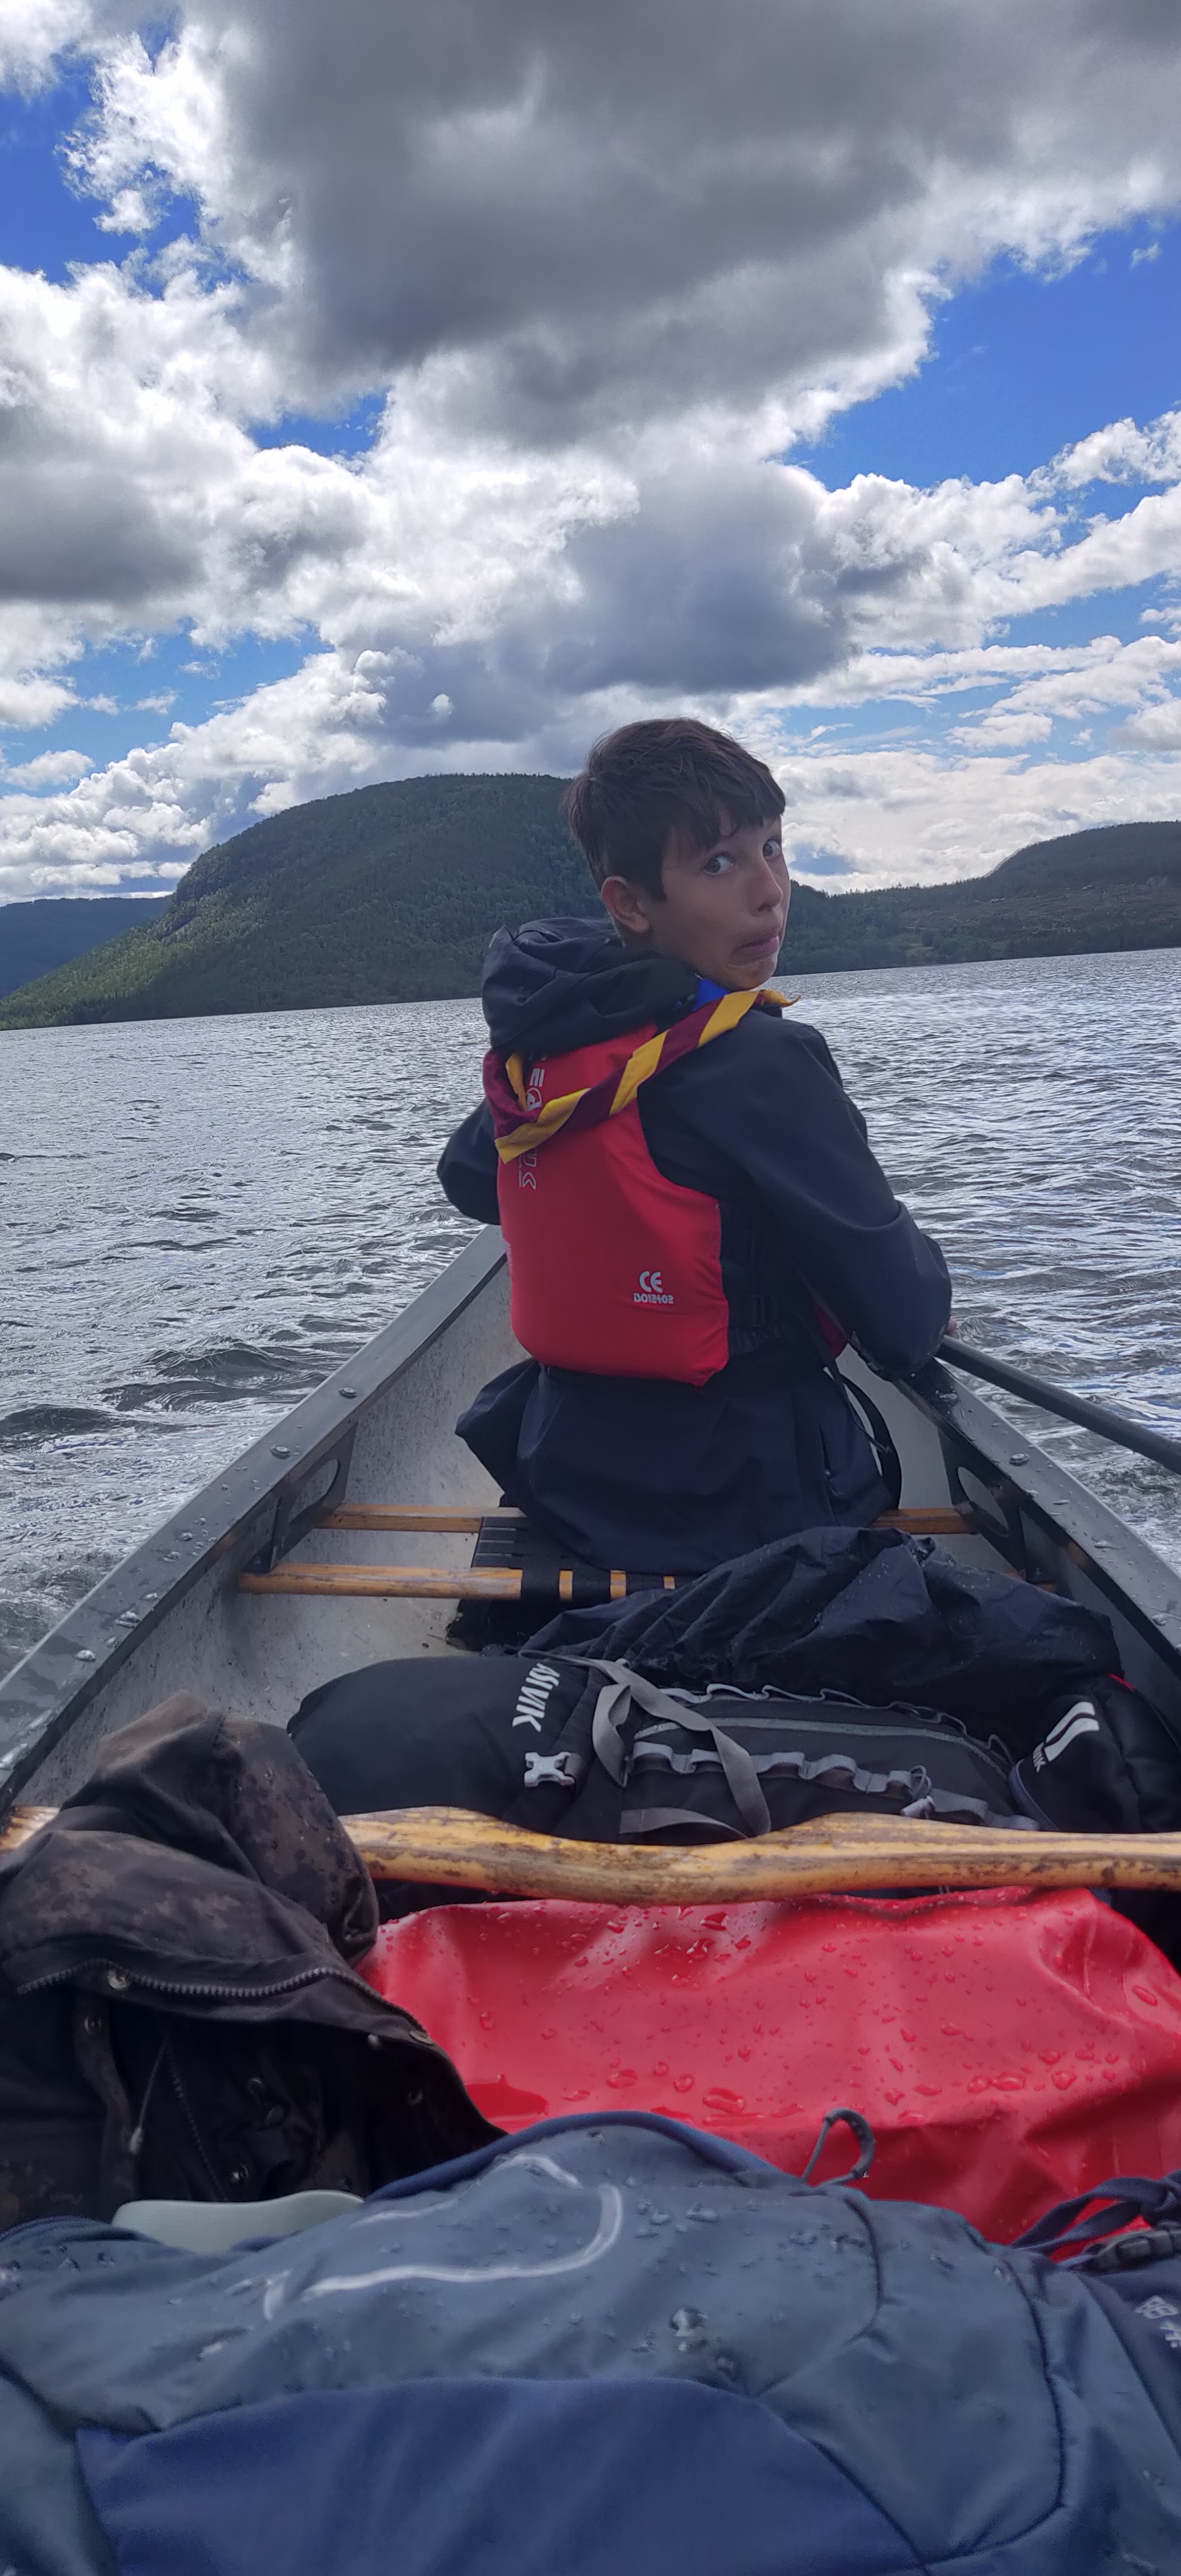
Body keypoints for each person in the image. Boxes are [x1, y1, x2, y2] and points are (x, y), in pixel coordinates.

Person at [438, 717, 951, 1573]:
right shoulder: (764, 1059)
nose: (769, 891)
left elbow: (467, 1178)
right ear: (630, 904)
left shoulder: (556, 1046)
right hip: (745, 1497)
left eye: (772, 848)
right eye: (719, 863)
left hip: (565, 1471)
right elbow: (900, 1323)